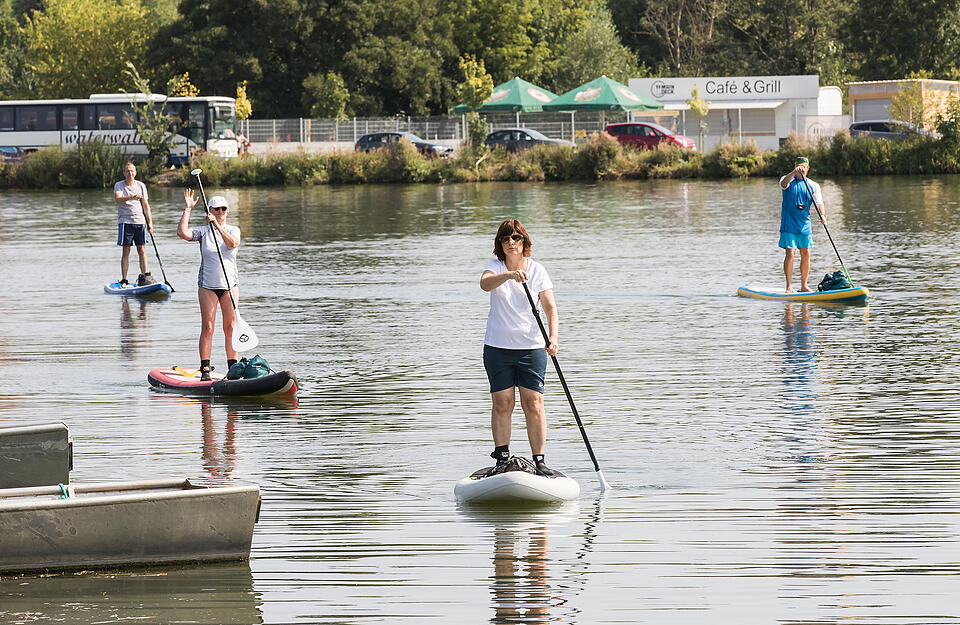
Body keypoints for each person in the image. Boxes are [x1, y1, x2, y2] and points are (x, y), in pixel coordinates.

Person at [480, 219, 559, 476]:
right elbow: (485, 284)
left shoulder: (537, 270)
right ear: (500, 245)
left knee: (533, 402)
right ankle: (502, 458)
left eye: (516, 238)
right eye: (506, 239)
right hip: (498, 347)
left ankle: (539, 461)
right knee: (502, 402)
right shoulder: (495, 267)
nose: (511, 243)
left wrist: (553, 338)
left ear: (524, 242)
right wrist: (509, 275)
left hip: (532, 347)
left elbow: (550, 308)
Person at [178, 190, 241, 381]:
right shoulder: (203, 232)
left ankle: (233, 369)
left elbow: (232, 244)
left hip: (230, 285)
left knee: (230, 327)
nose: (221, 211)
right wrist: (188, 209)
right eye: (217, 209)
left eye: (224, 209)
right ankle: (205, 368)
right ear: (210, 211)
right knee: (208, 327)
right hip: (207, 286)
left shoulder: (232, 229)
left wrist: (217, 226)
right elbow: (182, 233)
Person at [778, 156, 825, 293]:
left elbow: (819, 203)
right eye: (799, 167)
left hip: (805, 225)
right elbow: (783, 184)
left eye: (804, 167)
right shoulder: (786, 179)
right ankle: (789, 287)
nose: (801, 170)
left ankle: (804, 286)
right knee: (790, 253)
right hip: (789, 225)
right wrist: (793, 172)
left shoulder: (814, 185)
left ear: (808, 168)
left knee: (806, 253)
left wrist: (823, 215)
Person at [113, 161, 155, 286]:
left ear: (135, 173)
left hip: (140, 222)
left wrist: (150, 222)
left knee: (141, 250)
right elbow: (118, 199)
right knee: (126, 251)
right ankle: (124, 279)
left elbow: (145, 205)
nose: (130, 173)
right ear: (124, 173)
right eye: (127, 171)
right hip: (126, 222)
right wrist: (131, 196)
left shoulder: (141, 185)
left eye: (132, 171)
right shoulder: (119, 185)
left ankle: (145, 276)